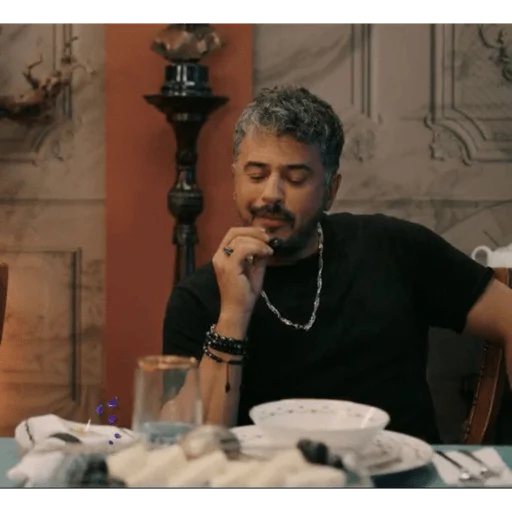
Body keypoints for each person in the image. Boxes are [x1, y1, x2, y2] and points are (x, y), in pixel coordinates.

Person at [162, 85, 512, 443]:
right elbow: (197, 446)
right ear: (235, 182)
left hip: (401, 468)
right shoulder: (197, 298)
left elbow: (508, 315)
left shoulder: (394, 247)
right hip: (272, 472)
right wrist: (233, 316)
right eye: (256, 175)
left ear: (331, 189)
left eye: (296, 178)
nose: (271, 194)